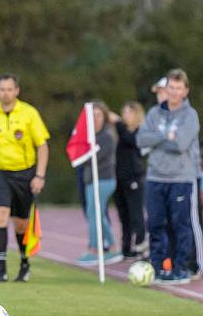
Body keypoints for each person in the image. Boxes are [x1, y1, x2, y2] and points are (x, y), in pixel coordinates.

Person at [0, 74, 49, 282]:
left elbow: (42, 146)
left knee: (21, 224)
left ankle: (24, 262)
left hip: (25, 173)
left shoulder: (29, 113)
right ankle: (1, 268)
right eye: (1, 89)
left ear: (16, 91)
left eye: (9, 89)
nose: (5, 93)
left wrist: (40, 176)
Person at [137, 69, 200, 284]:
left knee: (180, 225)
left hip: (180, 178)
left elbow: (181, 144)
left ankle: (181, 268)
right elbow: (141, 139)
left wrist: (157, 139)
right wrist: (165, 136)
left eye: (178, 88)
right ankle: (156, 268)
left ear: (185, 91)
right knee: (155, 224)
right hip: (156, 177)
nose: (174, 92)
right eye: (170, 88)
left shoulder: (190, 115)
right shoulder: (155, 113)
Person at [77, 102, 122, 265]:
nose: (95, 119)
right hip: (92, 180)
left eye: (98, 115)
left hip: (103, 180)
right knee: (97, 214)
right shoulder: (90, 135)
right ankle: (112, 246)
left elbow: (92, 158)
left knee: (94, 214)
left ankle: (96, 249)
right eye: (92, 116)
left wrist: (81, 155)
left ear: (104, 117)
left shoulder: (107, 136)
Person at [111, 102, 147, 259]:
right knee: (123, 215)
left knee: (136, 214)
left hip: (134, 178)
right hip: (119, 178)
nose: (125, 116)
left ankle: (140, 245)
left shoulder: (140, 131)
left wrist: (118, 122)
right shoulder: (120, 132)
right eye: (124, 112)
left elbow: (130, 140)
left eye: (129, 113)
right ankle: (126, 248)